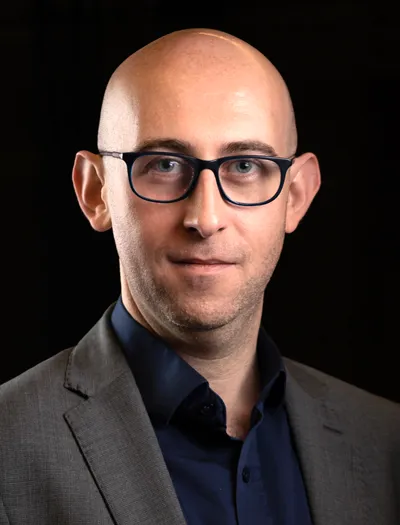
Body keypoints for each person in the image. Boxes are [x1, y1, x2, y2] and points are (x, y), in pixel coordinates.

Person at [0, 28, 399, 525]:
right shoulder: (9, 446)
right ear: (95, 192)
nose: (205, 218)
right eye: (164, 164)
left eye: (245, 166)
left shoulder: (385, 442)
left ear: (296, 196)